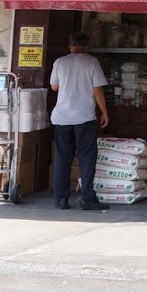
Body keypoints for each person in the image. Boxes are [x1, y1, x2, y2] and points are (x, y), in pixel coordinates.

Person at [50, 31, 110, 211]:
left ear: (70, 45)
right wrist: (105, 113)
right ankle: (87, 198)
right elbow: (98, 91)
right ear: (86, 46)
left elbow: (54, 87)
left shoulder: (60, 62)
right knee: (87, 158)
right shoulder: (91, 62)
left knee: (63, 159)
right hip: (84, 118)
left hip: (62, 118)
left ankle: (61, 200)